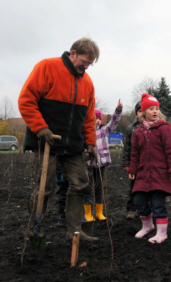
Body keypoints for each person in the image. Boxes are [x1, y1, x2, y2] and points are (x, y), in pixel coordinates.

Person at [18, 37, 100, 242]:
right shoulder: (47, 68)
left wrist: (90, 142)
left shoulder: (87, 83)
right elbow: (26, 101)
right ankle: (34, 230)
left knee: (81, 184)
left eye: (90, 64)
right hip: (47, 141)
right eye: (84, 62)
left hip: (72, 144)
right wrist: (40, 128)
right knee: (45, 187)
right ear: (73, 53)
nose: (86, 67)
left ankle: (74, 231)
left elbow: (88, 117)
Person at [128, 93, 171, 244]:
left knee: (158, 203)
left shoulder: (164, 128)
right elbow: (135, 153)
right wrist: (132, 169)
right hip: (143, 174)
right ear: (143, 112)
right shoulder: (138, 132)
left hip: (160, 173)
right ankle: (148, 226)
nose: (155, 111)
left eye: (157, 108)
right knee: (138, 201)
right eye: (151, 109)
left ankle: (162, 233)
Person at [84, 100, 123, 222]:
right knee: (88, 188)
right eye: (94, 118)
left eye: (99, 118)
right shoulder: (85, 133)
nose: (97, 121)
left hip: (101, 164)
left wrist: (118, 111)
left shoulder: (104, 130)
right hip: (89, 163)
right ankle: (88, 214)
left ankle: (99, 213)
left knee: (99, 187)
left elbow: (114, 122)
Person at [122, 101, 143, 219]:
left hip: (147, 164)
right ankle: (132, 209)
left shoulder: (152, 126)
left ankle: (146, 210)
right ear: (136, 113)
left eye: (143, 110)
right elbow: (127, 147)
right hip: (134, 164)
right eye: (139, 111)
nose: (142, 113)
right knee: (133, 187)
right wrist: (126, 163)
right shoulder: (131, 128)